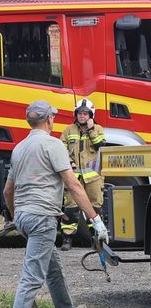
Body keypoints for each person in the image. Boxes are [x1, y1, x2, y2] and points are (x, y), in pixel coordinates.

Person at [4, 100, 109, 308]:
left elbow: (7, 191)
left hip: (24, 216)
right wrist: (95, 219)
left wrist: (14, 216)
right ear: (49, 119)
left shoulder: (19, 148)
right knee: (32, 276)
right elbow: (73, 184)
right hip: (42, 218)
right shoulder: (53, 145)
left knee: (53, 271)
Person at [57, 98, 106, 250]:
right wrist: (69, 163)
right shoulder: (68, 130)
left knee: (94, 207)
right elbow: (61, 148)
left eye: (86, 113)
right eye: (80, 113)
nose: (82, 116)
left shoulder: (98, 129)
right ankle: (67, 239)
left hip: (93, 178)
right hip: (73, 177)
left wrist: (91, 130)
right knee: (71, 208)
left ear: (91, 115)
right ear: (76, 114)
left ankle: (96, 238)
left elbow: (100, 145)